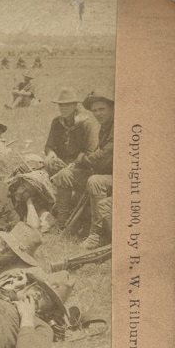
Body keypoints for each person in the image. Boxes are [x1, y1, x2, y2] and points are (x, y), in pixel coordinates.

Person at [45, 87, 100, 227]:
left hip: (82, 168)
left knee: (63, 175)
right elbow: (49, 145)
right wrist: (51, 154)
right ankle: (53, 204)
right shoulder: (57, 122)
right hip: (63, 164)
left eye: (67, 104)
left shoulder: (86, 124)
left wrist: (75, 164)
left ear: (75, 105)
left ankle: (62, 219)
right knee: (44, 165)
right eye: (61, 105)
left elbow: (91, 154)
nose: (63, 108)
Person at [73, 93, 114, 248]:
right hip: (108, 173)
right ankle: (63, 223)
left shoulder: (118, 127)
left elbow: (103, 155)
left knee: (95, 181)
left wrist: (84, 159)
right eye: (95, 110)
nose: (98, 113)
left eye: (102, 109)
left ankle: (97, 234)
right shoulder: (104, 128)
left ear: (112, 108)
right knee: (67, 175)